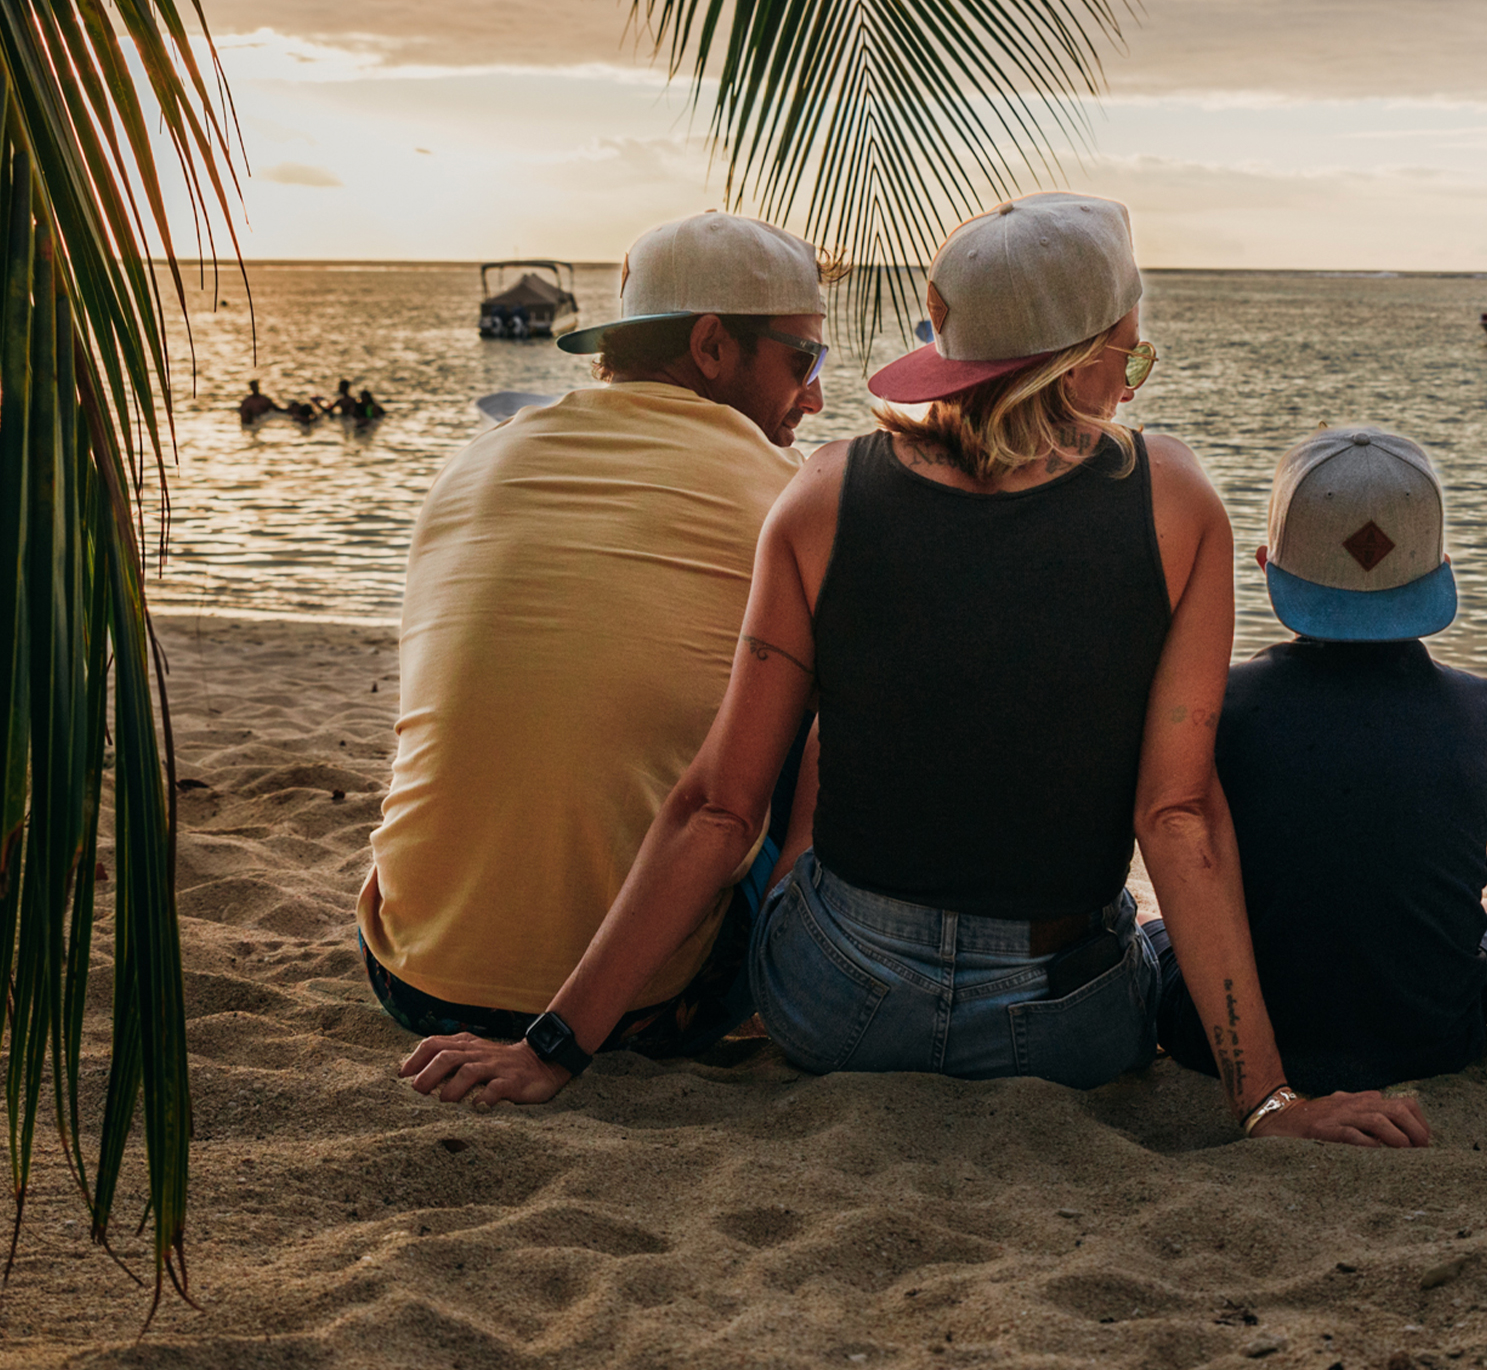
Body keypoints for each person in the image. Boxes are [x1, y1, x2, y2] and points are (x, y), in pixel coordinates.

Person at [400, 191, 1431, 1151]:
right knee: (1134, 935)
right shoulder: (1174, 498)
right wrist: (1267, 1098)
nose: (1127, 382)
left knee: (813, 715)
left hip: (833, 1004)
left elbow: (719, 808)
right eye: (1127, 352)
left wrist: (551, 1048)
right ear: (1075, 363)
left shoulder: (819, 493)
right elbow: (1176, 816)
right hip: (1064, 1027)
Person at [358, 210, 837, 1061]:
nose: (818, 395)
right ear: (714, 347)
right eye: (804, 358)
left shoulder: (474, 464)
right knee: (839, 682)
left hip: (409, 973)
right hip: (645, 1004)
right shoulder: (788, 496)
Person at [1151, 427, 1487, 1090]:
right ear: (1440, 570)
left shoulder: (1223, 706)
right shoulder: (1483, 707)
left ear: (1269, 566)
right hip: (1437, 1041)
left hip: (1213, 1042)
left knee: (1152, 937)